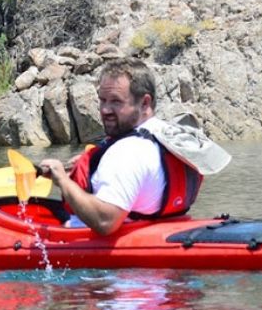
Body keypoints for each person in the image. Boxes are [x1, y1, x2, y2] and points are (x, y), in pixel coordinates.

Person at [36, 58, 205, 235]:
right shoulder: (170, 135)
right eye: (103, 100)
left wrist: (62, 181)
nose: (105, 110)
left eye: (116, 101)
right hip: (166, 228)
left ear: (145, 103)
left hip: (114, 247)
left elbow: (105, 222)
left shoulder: (126, 153)